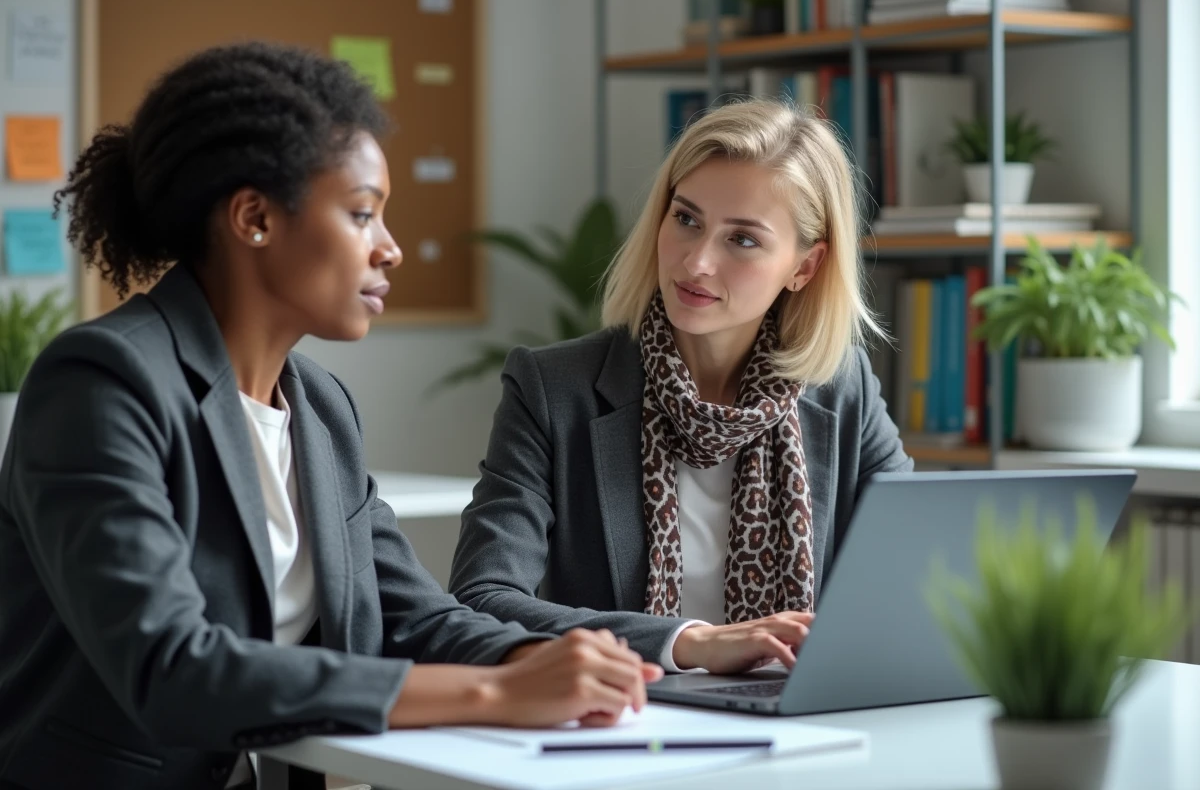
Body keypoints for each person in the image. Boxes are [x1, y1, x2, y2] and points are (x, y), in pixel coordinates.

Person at [0, 42, 658, 790]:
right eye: (361, 213)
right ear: (253, 217)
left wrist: (536, 659)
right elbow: (173, 669)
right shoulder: (101, 383)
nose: (392, 249)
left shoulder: (318, 408)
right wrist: (499, 693)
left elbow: (415, 617)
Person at [448, 98, 912, 676]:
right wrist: (687, 643)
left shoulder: (843, 391)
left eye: (742, 240)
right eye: (686, 219)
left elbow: (913, 581)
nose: (696, 263)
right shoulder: (552, 390)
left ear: (805, 267)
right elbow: (482, 599)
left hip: (797, 723)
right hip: (626, 723)